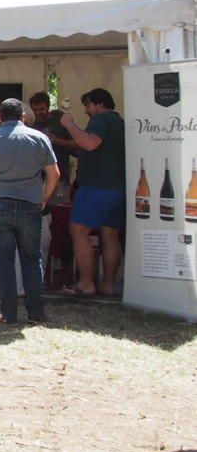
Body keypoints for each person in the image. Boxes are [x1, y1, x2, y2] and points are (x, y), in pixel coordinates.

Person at [0, 98, 59, 325]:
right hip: (30, 204)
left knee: (4, 261)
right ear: (23, 116)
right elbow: (54, 174)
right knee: (31, 258)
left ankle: (8, 314)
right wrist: (43, 199)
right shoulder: (39, 139)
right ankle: (36, 312)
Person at [59, 88, 125, 297]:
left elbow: (89, 143)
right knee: (110, 235)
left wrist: (69, 124)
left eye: (88, 105)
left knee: (79, 231)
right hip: (117, 188)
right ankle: (108, 284)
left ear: (98, 104)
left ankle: (86, 283)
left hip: (97, 187)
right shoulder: (120, 122)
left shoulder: (101, 119)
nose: (86, 110)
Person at [28, 91, 75, 187]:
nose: (38, 113)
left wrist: (58, 141)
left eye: (41, 109)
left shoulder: (60, 121)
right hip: (34, 178)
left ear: (48, 108)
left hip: (59, 176)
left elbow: (78, 143)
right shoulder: (28, 124)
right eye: (35, 109)